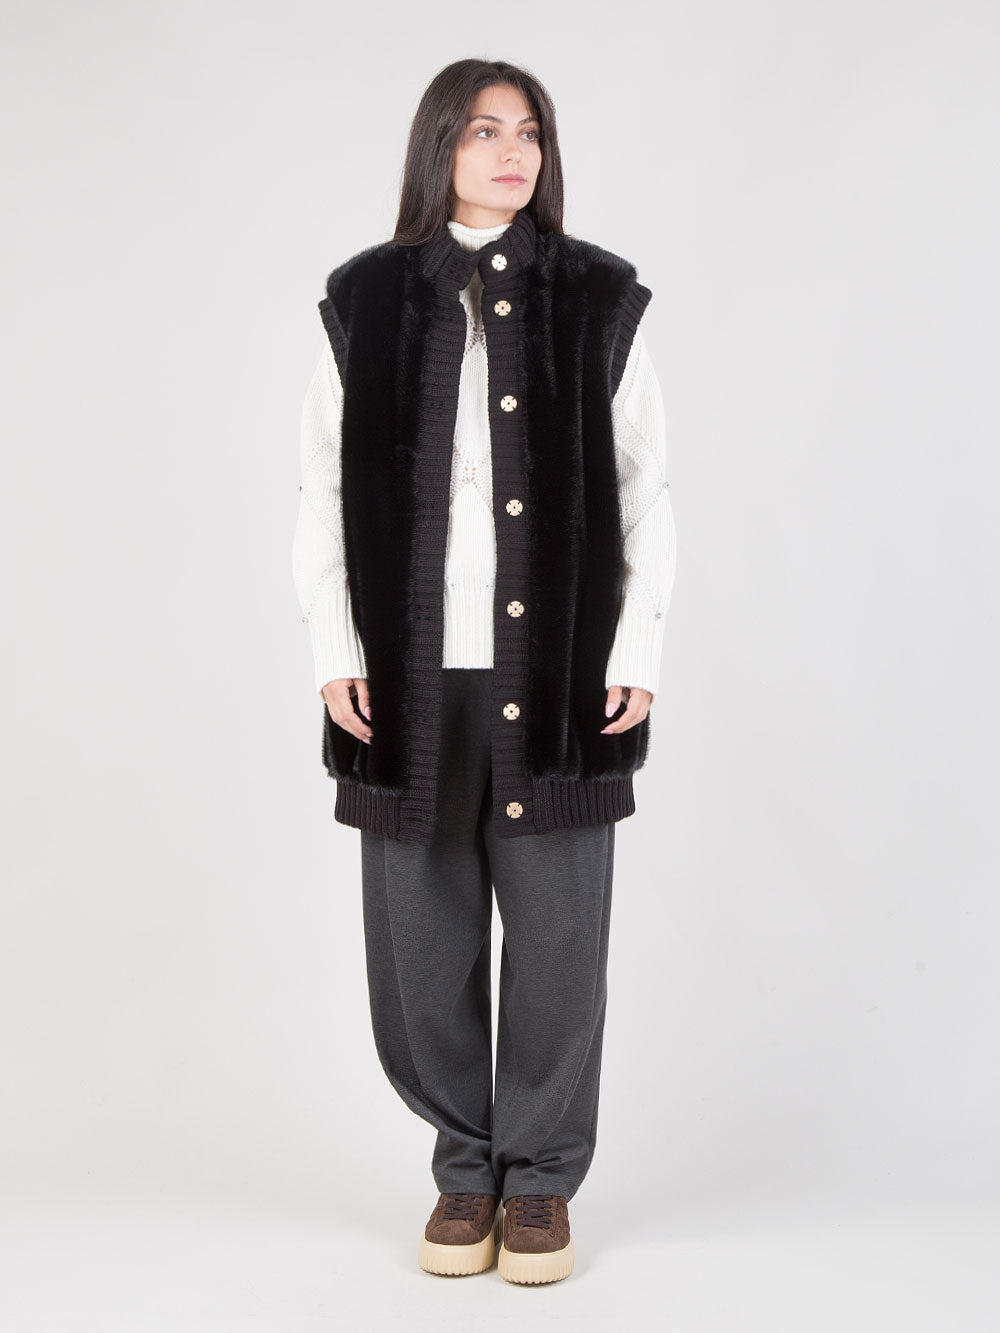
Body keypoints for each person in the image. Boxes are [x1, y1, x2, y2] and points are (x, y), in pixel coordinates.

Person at [292, 59, 677, 1286]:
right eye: (482, 132)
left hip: (559, 679)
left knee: (559, 938)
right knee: (420, 945)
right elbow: (319, 491)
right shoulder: (364, 299)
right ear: (437, 148)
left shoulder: (596, 297)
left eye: (529, 133)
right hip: (405, 687)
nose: (512, 153)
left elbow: (645, 491)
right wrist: (335, 650)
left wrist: (637, 647)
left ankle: (540, 1176)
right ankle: (466, 1165)